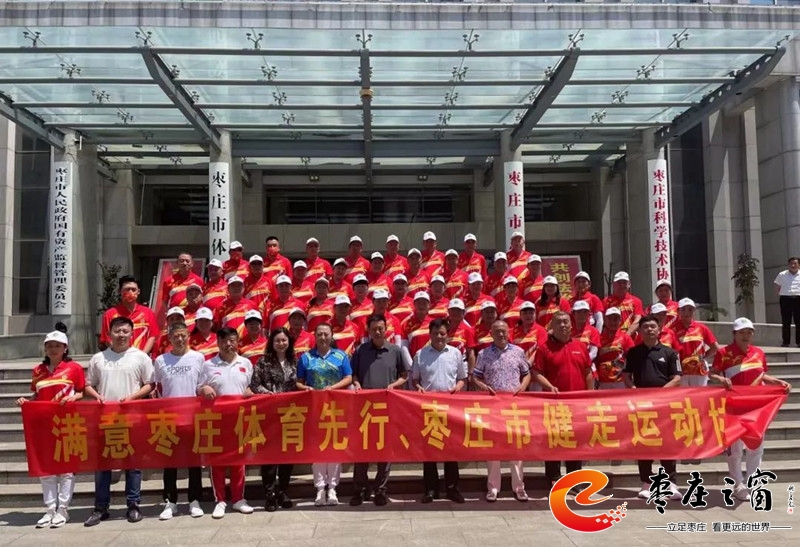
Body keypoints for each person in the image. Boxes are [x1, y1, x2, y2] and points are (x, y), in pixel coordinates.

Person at [709, 317, 792, 501]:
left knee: (756, 445)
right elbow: (712, 373)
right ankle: (738, 484)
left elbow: (762, 375)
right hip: (734, 405)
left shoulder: (758, 353)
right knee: (735, 448)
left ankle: (753, 482)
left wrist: (778, 382)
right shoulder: (724, 352)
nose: (745, 336)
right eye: (742, 332)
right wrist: (721, 379)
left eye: (749, 332)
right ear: (734, 334)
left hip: (756, 407)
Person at [84, 316, 154, 526]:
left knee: (133, 464)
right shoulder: (98, 358)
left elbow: (150, 384)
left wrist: (132, 397)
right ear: (109, 334)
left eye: (125, 331)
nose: (121, 335)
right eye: (117, 331)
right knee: (102, 465)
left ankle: (133, 505)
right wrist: (97, 396)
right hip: (105, 418)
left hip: (132, 418)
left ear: (132, 334)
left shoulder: (140, 357)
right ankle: (100, 507)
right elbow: (88, 384)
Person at [16, 329, 84, 528]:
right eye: (50, 346)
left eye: (57, 346)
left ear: (65, 348)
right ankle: (50, 509)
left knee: (66, 469)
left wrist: (74, 397)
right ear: (45, 349)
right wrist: (26, 402)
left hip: (67, 423)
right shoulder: (38, 370)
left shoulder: (74, 368)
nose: (53, 349)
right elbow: (36, 396)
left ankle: (63, 509)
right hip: (44, 425)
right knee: (46, 469)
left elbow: (82, 391)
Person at [622, 315, 682, 501]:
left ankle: (670, 483)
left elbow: (677, 378)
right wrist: (633, 389)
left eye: (653, 327)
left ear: (659, 330)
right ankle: (646, 483)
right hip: (642, 405)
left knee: (667, 443)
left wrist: (660, 394)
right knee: (644, 442)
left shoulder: (670, 353)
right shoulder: (633, 352)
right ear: (639, 331)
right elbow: (626, 375)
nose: (649, 330)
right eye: (645, 327)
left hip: (664, 404)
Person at [350, 315, 408, 507]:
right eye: (373, 329)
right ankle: (360, 489)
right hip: (364, 408)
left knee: (385, 450)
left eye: (380, 329)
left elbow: (404, 375)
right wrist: (357, 384)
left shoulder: (395, 351)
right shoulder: (361, 351)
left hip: (387, 407)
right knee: (362, 450)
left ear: (386, 329)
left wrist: (394, 385)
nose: (377, 332)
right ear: (368, 330)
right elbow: (354, 374)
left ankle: (380, 490)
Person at [197, 327, 255, 519]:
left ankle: (238, 499)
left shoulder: (246, 363)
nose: (228, 344)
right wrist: (204, 388)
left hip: (240, 419)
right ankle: (220, 500)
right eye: (224, 341)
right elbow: (198, 388)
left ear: (237, 341)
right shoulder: (208, 365)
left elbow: (251, 386)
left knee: (239, 461)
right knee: (218, 462)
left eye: (231, 340)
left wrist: (250, 391)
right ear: (218, 343)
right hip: (217, 420)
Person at [532, 311, 593, 489]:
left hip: (577, 404)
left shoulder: (580, 346)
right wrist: (549, 386)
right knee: (554, 441)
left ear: (571, 325)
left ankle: (574, 479)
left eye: (566, 322)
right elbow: (537, 372)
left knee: (575, 441)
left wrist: (590, 394)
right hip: (554, 403)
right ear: (552, 326)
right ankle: (554, 477)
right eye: (558, 322)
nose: (563, 325)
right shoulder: (544, 348)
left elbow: (588, 372)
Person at [472, 320, 531, 502]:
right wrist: (483, 387)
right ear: (491, 333)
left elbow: (527, 373)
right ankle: (493, 488)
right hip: (493, 407)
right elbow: (475, 377)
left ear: (508, 332)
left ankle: (519, 487)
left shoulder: (518, 352)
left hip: (514, 407)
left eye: (503, 331)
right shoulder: (483, 354)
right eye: (497, 331)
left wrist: (522, 387)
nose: (500, 334)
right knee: (493, 448)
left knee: (516, 448)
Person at [152, 322, 205, 520]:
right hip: (168, 420)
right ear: (170, 338)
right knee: (170, 463)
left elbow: (201, 385)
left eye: (183, 335)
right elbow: (156, 388)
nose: (180, 339)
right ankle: (170, 502)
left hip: (193, 418)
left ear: (188, 336)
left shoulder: (198, 358)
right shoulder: (161, 360)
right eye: (176, 336)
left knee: (194, 463)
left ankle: (194, 500)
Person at [296, 323, 353, 506]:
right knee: (318, 450)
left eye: (326, 334)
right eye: (319, 334)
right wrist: (306, 388)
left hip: (337, 408)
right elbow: (299, 381)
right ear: (314, 336)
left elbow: (348, 377)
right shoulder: (306, 357)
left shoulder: (341, 356)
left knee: (334, 448)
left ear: (331, 336)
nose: (323, 338)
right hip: (314, 409)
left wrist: (333, 388)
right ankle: (320, 488)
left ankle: (333, 487)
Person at [412, 318, 467, 504]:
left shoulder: (455, 353)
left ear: (447, 334)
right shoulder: (420, 354)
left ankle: (452, 488)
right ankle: (430, 489)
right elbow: (415, 379)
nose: (439, 337)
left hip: (450, 409)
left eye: (442, 333)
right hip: (428, 408)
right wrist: (418, 387)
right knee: (429, 451)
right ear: (430, 335)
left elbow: (462, 378)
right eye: (435, 333)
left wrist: (458, 388)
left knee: (451, 449)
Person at [249, 328, 299, 512]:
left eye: (284, 340)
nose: (281, 343)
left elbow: (300, 383)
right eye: (277, 340)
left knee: (287, 455)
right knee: (270, 456)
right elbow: (255, 384)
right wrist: (268, 393)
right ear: (272, 342)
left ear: (289, 342)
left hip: (290, 414)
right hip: (269, 413)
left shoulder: (295, 361)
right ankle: (269, 494)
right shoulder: (263, 362)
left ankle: (283, 491)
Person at [99, 275, 159, 354]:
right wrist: (122, 355)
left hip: (141, 357)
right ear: (119, 291)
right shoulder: (110, 314)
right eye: (127, 289)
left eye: (133, 290)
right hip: (119, 357)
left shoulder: (148, 313)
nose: (130, 292)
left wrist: (142, 356)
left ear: (138, 291)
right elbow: (107, 339)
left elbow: (152, 336)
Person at [673, 298, 720, 387]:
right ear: (678, 311)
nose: (687, 313)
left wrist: (703, 357)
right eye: (683, 310)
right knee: (683, 395)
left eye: (690, 310)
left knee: (699, 394)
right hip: (681, 371)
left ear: (694, 311)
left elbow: (715, 347)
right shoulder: (672, 329)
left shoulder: (702, 328)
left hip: (699, 370)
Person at [596, 308, 634, 389]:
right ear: (605, 320)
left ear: (620, 320)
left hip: (621, 381)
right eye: (610, 319)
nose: (613, 322)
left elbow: (632, 358)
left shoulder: (626, 338)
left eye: (616, 319)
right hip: (602, 381)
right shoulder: (599, 338)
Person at [602, 271, 643, 337]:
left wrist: (626, 336)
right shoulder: (606, 301)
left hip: (631, 338)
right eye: (619, 283)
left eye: (624, 282)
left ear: (629, 284)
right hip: (611, 338)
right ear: (614, 285)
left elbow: (638, 320)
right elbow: (604, 320)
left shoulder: (636, 301)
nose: (622, 285)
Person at [774, 257, 800, 347]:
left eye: (795, 263)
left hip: (798, 298)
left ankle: (799, 342)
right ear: (788, 265)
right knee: (786, 321)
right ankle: (786, 342)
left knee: (799, 321)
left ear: (799, 265)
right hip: (785, 299)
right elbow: (777, 286)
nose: (793, 265)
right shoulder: (782, 274)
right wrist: (782, 294)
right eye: (791, 263)